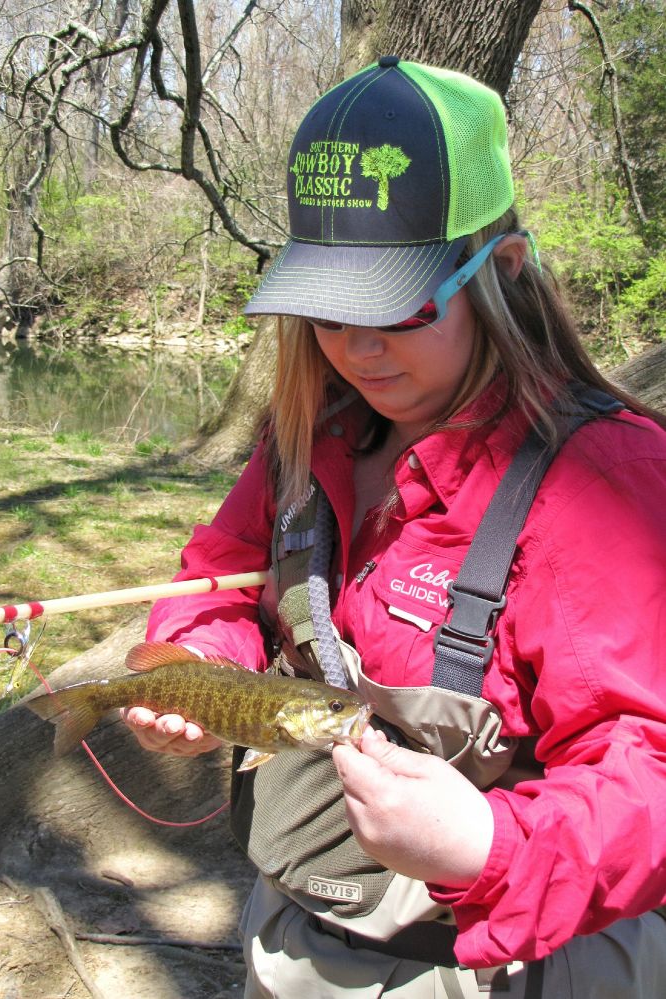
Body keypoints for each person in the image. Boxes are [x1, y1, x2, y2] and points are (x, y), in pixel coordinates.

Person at [121, 56, 666, 997]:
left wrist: (490, 842)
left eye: (396, 308)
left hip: (516, 959)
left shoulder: (603, 480)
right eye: (328, 308)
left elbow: (646, 765)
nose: (356, 345)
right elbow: (224, 577)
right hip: (294, 936)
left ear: (497, 269)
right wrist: (196, 671)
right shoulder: (307, 434)